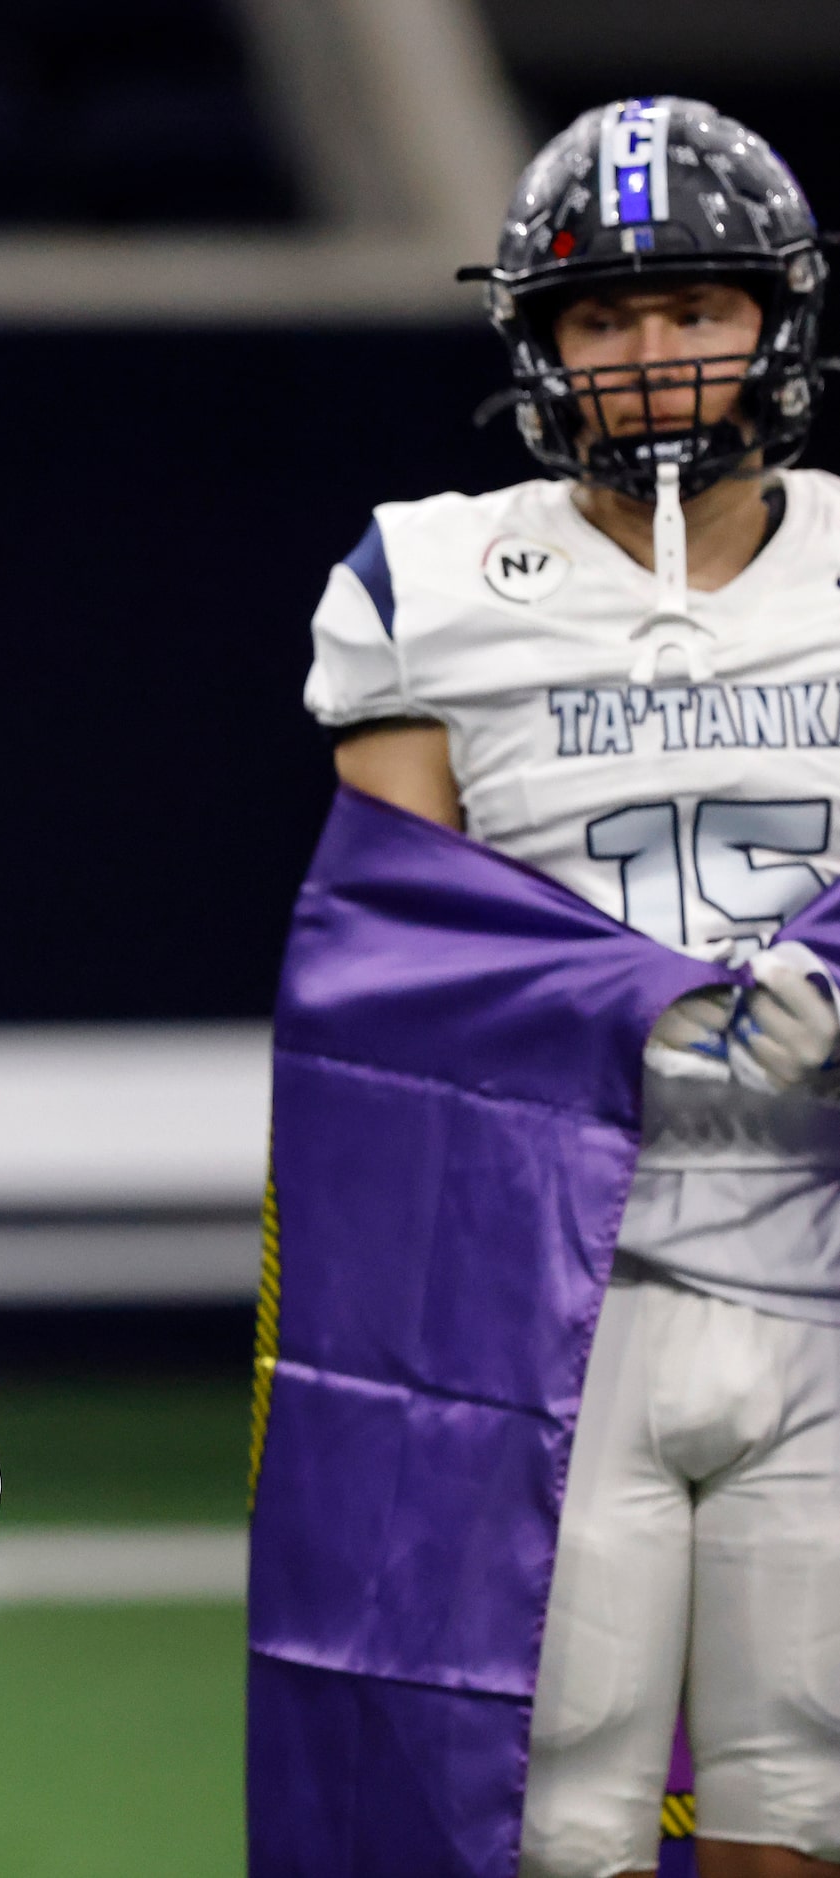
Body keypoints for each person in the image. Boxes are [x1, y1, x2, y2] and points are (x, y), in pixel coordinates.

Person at [304, 98, 840, 1878]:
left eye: (693, 306)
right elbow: (396, 952)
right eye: (603, 317)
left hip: (822, 1257)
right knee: (556, 1804)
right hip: (557, 1282)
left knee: (803, 1785)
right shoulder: (430, 580)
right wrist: (623, 1006)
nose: (651, 354)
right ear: (539, 346)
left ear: (775, 318)